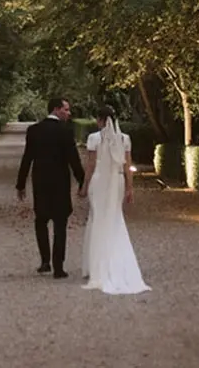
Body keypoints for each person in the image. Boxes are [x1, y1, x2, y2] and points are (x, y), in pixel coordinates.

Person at [80, 106, 150, 295]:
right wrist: (129, 188)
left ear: (101, 120)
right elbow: (128, 166)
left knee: (97, 219)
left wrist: (85, 186)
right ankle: (115, 259)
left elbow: (91, 164)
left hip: (99, 180)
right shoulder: (124, 139)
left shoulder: (94, 138)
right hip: (117, 180)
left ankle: (96, 264)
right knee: (114, 217)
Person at [16, 97, 86, 278]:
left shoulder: (34, 130)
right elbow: (73, 159)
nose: (69, 113)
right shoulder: (65, 131)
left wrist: (21, 183)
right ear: (56, 109)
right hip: (60, 183)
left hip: (41, 182)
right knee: (60, 224)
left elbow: (27, 157)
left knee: (41, 221)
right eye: (66, 109)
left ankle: (45, 261)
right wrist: (82, 182)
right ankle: (58, 266)